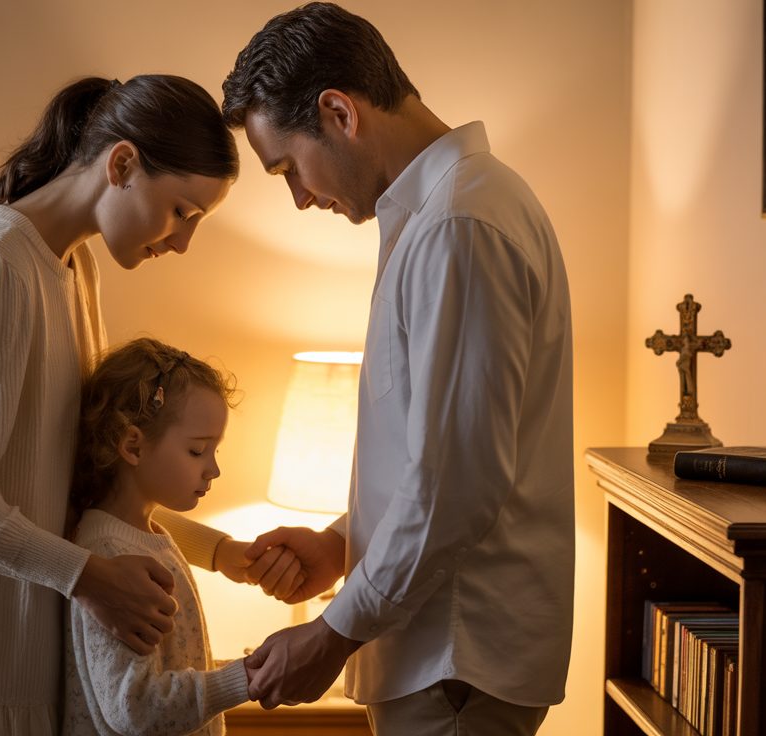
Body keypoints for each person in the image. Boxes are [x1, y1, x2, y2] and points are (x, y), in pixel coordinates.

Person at [0, 74, 301, 735]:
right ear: (122, 164)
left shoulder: (72, 268)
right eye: (182, 211)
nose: (183, 242)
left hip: (35, 655)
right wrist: (90, 577)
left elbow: (82, 482)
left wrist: (220, 553)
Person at [221, 4, 575, 735]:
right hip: (440, 661)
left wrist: (332, 633)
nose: (298, 197)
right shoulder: (436, 220)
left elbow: (459, 486)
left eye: (287, 166)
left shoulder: (460, 226)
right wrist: (340, 545)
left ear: (339, 112)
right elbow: (434, 462)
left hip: (453, 663)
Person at [64, 338, 256, 736]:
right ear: (133, 445)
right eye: (197, 451)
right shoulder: (110, 556)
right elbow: (135, 708)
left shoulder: (150, 536)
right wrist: (245, 679)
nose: (213, 470)